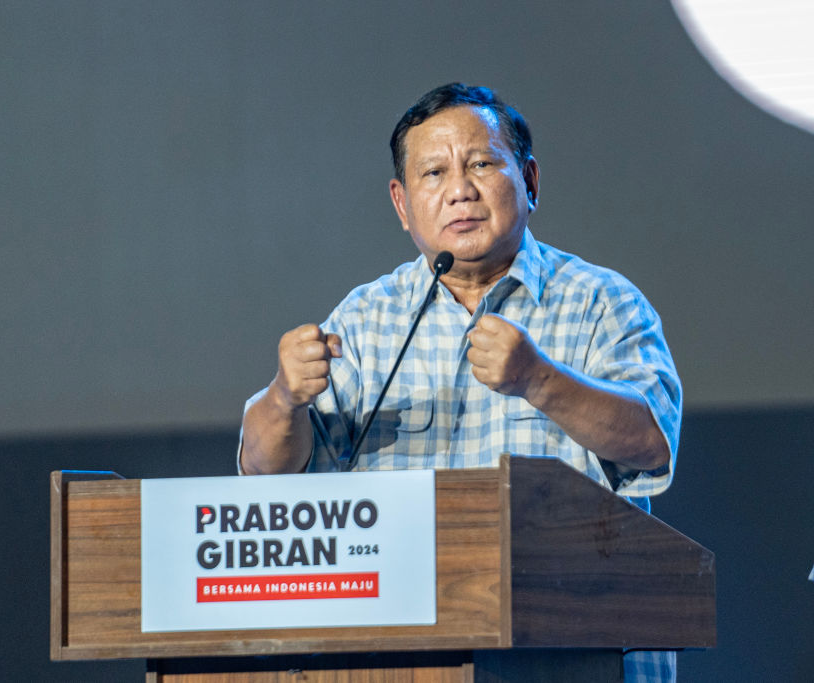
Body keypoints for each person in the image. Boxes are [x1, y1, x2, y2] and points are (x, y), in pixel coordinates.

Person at [239, 83, 681, 682]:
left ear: (530, 180)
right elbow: (267, 476)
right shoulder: (367, 319)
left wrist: (539, 379)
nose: (460, 191)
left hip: (576, 645)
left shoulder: (601, 302)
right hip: (400, 656)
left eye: (481, 163)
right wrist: (283, 398)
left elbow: (651, 444)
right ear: (402, 204)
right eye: (433, 173)